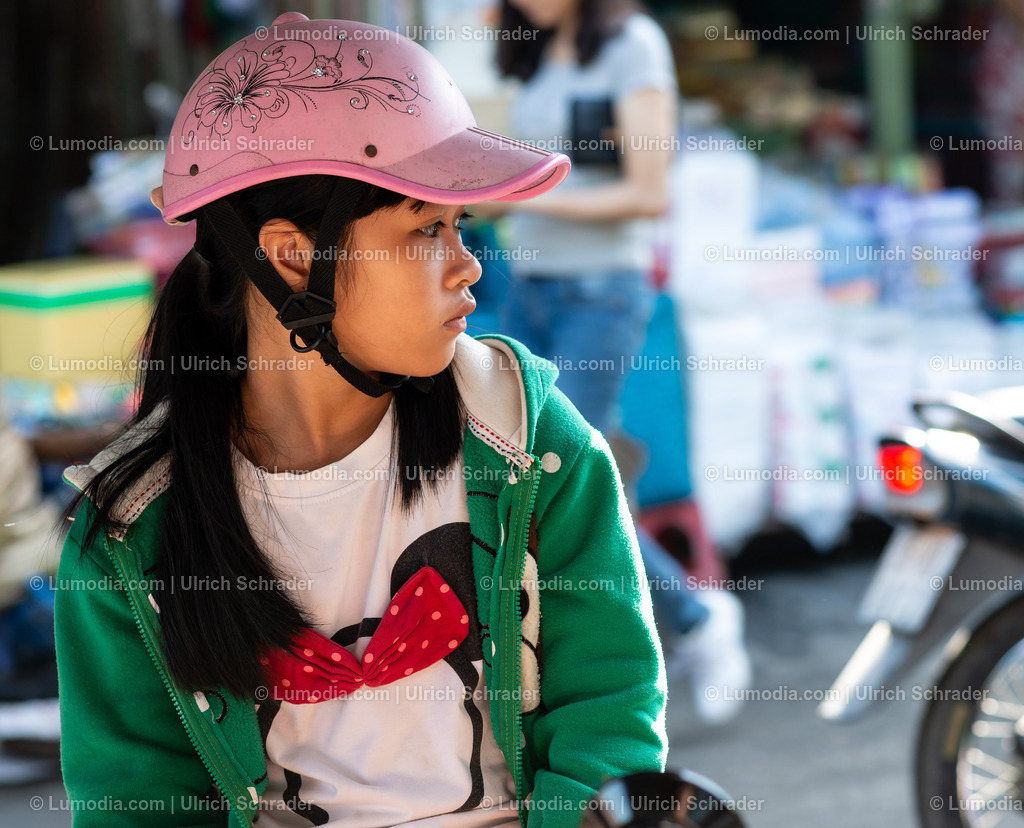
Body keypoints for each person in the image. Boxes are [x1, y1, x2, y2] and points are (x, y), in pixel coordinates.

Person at [53, 13, 666, 828]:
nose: (468, 264)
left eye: (462, 226)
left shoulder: (530, 442)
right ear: (293, 256)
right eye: (425, 231)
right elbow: (135, 803)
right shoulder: (131, 527)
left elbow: (609, 714)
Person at [485, 0, 751, 724]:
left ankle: (696, 618)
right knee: (527, 472)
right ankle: (578, 666)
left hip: (601, 293)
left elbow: (647, 192)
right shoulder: (530, 51)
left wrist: (520, 191)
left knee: (563, 471)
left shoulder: (633, 45)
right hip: (528, 287)